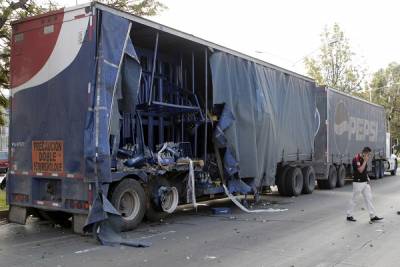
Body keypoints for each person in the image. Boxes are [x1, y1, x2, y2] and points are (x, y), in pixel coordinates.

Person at [346, 147, 383, 222]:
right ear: (364, 153)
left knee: (369, 198)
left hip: (365, 182)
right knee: (354, 199)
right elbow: (360, 170)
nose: (368, 156)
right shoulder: (356, 159)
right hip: (358, 182)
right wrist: (365, 161)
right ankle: (349, 215)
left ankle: (372, 216)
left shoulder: (363, 158)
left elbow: (364, 171)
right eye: (368, 154)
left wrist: (367, 177)